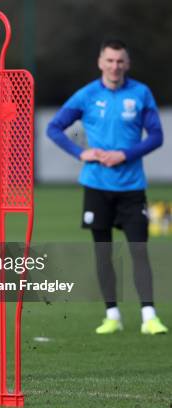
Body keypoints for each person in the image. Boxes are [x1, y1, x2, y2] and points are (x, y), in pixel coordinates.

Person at [47, 39, 167, 335]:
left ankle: (149, 316)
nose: (115, 66)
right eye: (110, 61)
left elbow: (156, 136)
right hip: (97, 186)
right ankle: (111, 314)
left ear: (127, 64)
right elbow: (54, 128)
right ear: (100, 62)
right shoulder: (87, 95)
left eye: (120, 61)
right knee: (103, 252)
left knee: (139, 250)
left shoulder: (140, 94)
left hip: (132, 187)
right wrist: (81, 153)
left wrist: (125, 154)